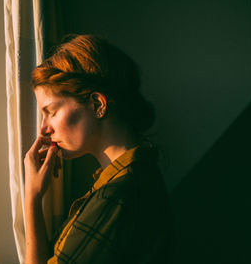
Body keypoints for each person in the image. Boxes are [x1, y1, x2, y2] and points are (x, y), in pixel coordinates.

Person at [23, 34, 174, 264]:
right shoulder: (131, 176)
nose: (43, 129)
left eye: (51, 112)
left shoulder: (118, 196)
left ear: (97, 104)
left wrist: (31, 199)